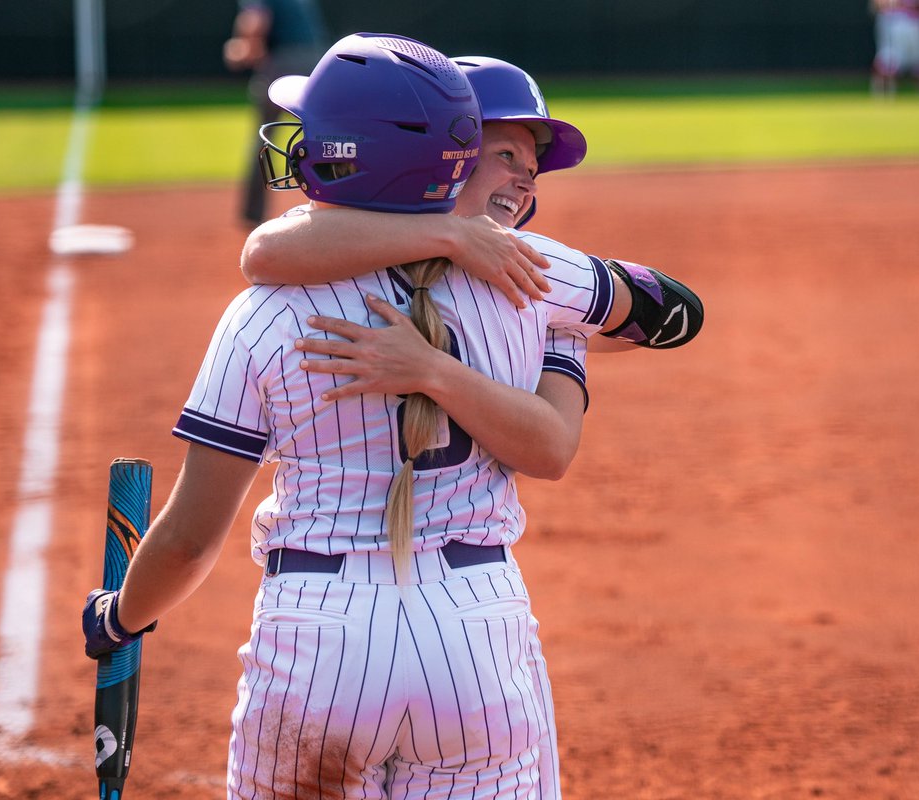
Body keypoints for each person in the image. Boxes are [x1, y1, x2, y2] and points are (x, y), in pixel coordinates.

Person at [82, 33, 692, 799]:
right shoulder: (529, 281)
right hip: (477, 636)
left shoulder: (265, 313)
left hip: (318, 642)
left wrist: (120, 617)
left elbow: (189, 540)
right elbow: (673, 310)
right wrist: (563, 336)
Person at [223, 0, 330, 226]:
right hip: (316, 62)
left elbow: (255, 21)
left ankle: (253, 214)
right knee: (325, 138)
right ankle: (335, 204)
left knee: (263, 137)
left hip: (283, 64)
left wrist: (242, 48)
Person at [870, 0, 919, 97]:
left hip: (918, 24)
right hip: (894, 23)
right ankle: (883, 98)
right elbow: (876, 5)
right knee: (887, 65)